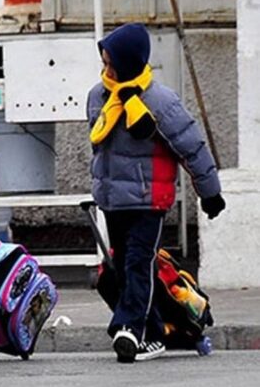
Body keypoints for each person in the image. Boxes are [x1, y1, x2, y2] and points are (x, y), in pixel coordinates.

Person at [86, 23, 225, 363]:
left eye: (111, 63)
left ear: (130, 62)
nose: (106, 69)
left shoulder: (161, 101)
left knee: (138, 262)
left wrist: (210, 193)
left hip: (150, 201)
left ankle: (128, 329)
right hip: (113, 201)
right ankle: (152, 335)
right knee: (123, 265)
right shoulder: (98, 96)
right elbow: (101, 151)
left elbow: (192, 148)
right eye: (103, 62)